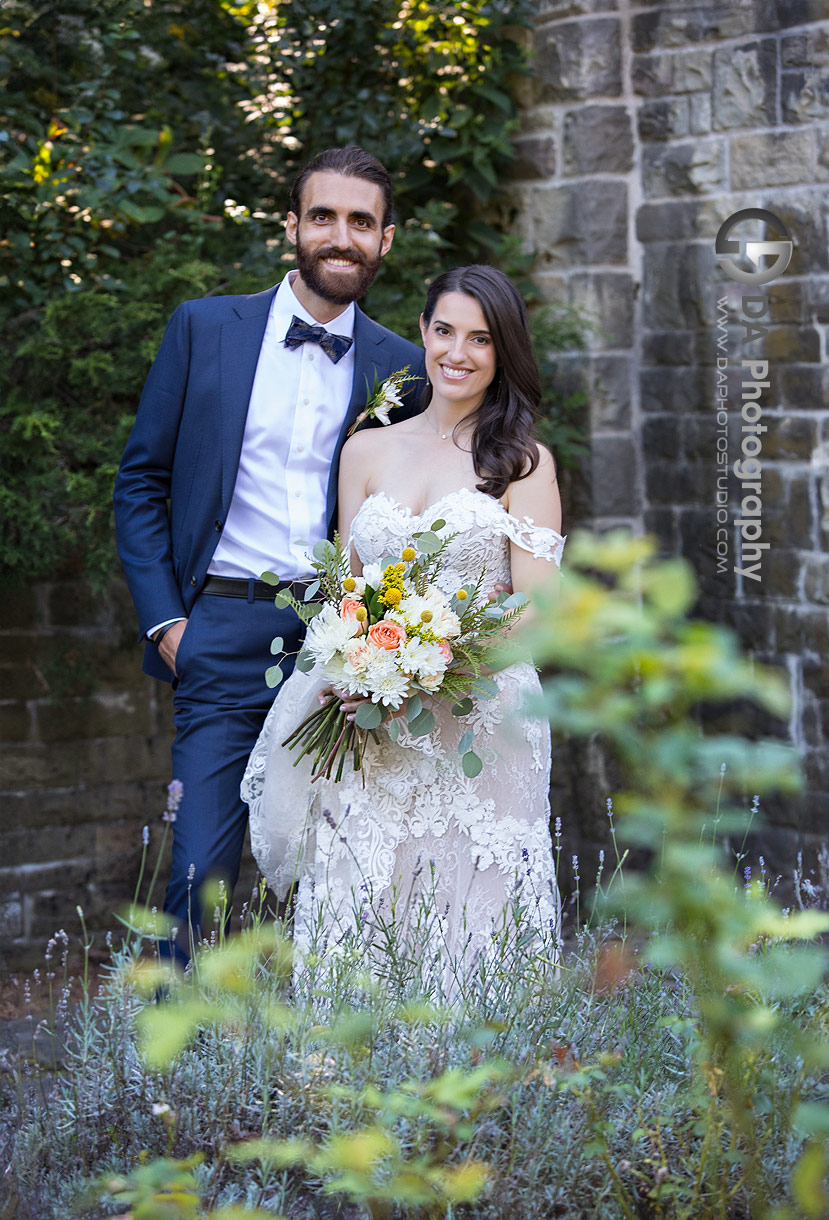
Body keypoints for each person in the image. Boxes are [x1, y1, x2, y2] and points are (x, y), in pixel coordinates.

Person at [113, 145, 425, 963]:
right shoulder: (204, 328)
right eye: (323, 216)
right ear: (293, 226)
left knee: (344, 865)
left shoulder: (406, 368)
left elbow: (412, 518)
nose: (340, 236)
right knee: (198, 870)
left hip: (343, 648)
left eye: (361, 221)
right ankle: (171, 1077)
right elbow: (141, 481)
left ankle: (336, 1063)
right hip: (215, 628)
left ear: (385, 239)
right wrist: (166, 624)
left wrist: (384, 637)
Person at [242, 265, 564, 985]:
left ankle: (481, 1090)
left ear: (503, 349)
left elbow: (537, 612)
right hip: (373, 722)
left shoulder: (522, 462)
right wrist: (352, 673)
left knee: (472, 921)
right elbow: (348, 594)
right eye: (444, 330)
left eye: (481, 339)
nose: (458, 352)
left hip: (483, 721)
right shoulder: (365, 450)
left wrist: (430, 674)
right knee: (364, 903)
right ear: (421, 332)